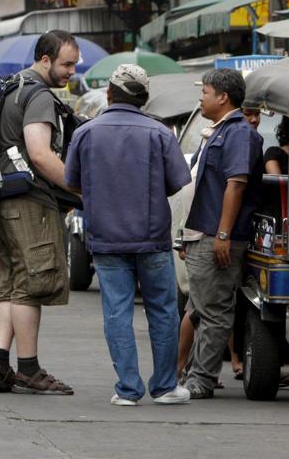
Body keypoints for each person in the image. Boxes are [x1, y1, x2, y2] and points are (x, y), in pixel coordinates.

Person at [65, 64, 192, 406]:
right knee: (163, 311)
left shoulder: (86, 133)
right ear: (145, 98)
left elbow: (72, 181)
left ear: (109, 93)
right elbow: (178, 182)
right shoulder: (160, 133)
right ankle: (165, 387)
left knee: (116, 312)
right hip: (151, 237)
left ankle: (128, 389)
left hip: (106, 236)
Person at [0, 29, 79, 396]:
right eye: (66, 63)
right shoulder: (38, 95)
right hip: (28, 201)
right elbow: (40, 154)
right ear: (45, 60)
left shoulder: (12, 87)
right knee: (32, 284)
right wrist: (78, 188)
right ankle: (29, 368)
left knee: (10, 282)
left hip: (0, 198)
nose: (71, 70)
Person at [180, 68, 263, 400]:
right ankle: (194, 374)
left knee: (213, 311)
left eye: (206, 91)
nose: (201, 97)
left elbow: (236, 184)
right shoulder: (219, 131)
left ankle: (201, 378)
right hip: (204, 231)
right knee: (201, 307)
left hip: (220, 234)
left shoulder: (239, 133)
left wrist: (224, 234)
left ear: (222, 97)